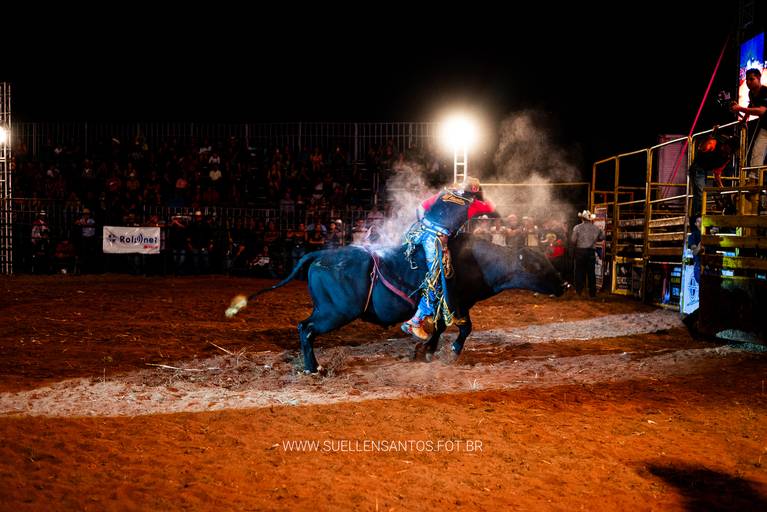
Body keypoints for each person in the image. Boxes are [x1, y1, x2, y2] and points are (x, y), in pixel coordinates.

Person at [401, 177, 498, 339]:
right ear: (475, 190)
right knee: (438, 280)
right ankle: (415, 322)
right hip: (436, 239)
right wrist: (482, 194)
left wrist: (423, 224)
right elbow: (492, 206)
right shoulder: (473, 204)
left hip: (418, 232)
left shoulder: (444, 193)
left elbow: (420, 207)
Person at [688, 127, 733, 220]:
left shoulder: (726, 157)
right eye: (730, 148)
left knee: (700, 193)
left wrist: (721, 187)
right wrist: (711, 136)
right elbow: (701, 148)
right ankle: (697, 217)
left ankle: (696, 216)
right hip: (697, 168)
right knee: (700, 193)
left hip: (703, 170)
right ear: (726, 145)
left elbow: (717, 173)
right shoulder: (714, 143)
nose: (730, 151)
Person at [730, 68, 767, 170]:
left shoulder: (765, 91)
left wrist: (739, 108)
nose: (748, 82)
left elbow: (762, 111)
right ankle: (754, 177)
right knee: (757, 151)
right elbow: (751, 105)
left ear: (759, 78)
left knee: (758, 151)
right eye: (747, 80)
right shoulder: (751, 93)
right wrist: (744, 120)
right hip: (765, 127)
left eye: (751, 79)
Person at [570, 209, 605, 298]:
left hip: (580, 251)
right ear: (590, 219)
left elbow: (573, 240)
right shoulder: (596, 228)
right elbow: (602, 237)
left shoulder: (577, 227)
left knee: (579, 272)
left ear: (582, 218)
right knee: (591, 273)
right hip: (591, 252)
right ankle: (592, 293)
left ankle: (578, 291)